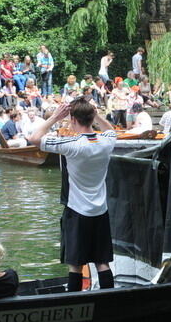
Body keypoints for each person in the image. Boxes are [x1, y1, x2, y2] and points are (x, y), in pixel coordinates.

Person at [27, 98, 118, 292]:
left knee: (76, 263)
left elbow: (34, 138)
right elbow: (111, 130)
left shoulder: (72, 144)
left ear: (74, 119)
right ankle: (110, 301)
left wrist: (53, 117)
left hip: (77, 210)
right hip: (100, 210)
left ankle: (75, 303)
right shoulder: (106, 142)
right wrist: (97, 115)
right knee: (102, 262)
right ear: (91, 117)